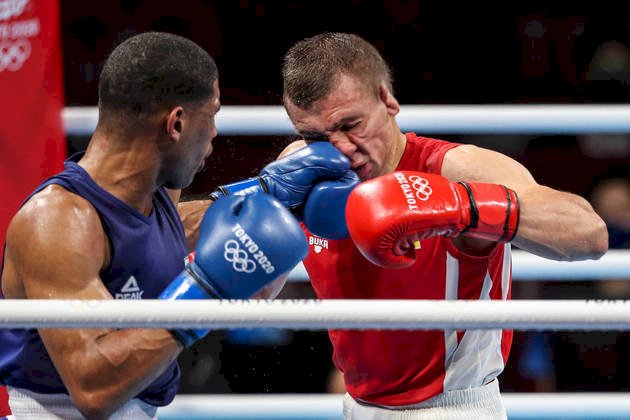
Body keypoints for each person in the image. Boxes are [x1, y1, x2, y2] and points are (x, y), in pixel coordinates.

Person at [0, 31, 353, 419]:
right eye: (212, 116)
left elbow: (159, 233)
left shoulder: (152, 200)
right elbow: (94, 389)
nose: (216, 134)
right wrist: (201, 292)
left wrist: (270, 196)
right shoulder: (56, 222)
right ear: (177, 124)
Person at [280, 32, 609, 419]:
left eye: (351, 125)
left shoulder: (455, 169)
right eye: (316, 137)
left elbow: (590, 234)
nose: (339, 149)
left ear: (387, 101)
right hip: (358, 407)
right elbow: (252, 293)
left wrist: (461, 206)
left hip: (453, 408)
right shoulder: (300, 172)